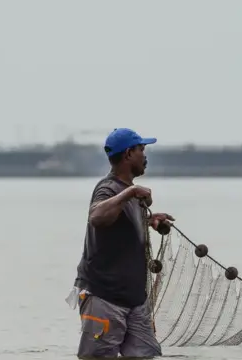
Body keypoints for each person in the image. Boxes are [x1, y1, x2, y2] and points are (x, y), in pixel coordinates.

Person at [68, 128, 175, 358]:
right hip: (104, 298)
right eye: (141, 150)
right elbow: (97, 217)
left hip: (135, 301)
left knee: (147, 356)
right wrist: (131, 192)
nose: (145, 156)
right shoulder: (108, 189)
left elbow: (119, 225)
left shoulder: (128, 194)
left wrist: (149, 221)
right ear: (128, 154)